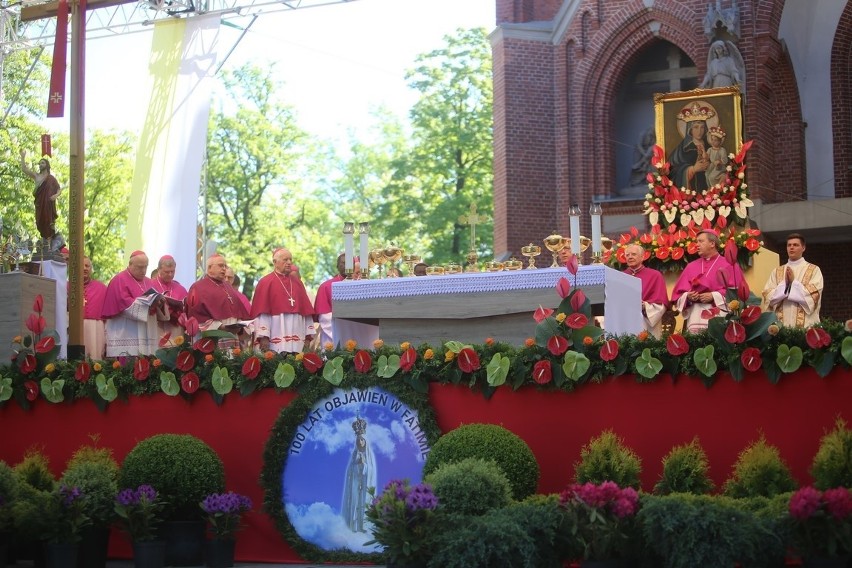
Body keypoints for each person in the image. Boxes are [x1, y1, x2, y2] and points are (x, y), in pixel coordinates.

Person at [672, 229, 744, 333]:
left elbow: (737, 293)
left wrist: (714, 296)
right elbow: (677, 296)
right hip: (695, 317)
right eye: (697, 242)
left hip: (720, 315)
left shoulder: (729, 264)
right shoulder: (690, 266)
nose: (697, 245)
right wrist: (688, 296)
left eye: (701, 241)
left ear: (712, 243)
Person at [101, 250, 169, 356]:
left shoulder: (149, 281)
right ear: (130, 265)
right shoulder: (119, 280)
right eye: (140, 267)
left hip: (146, 330)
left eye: (146, 267)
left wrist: (159, 303)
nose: (144, 271)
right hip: (126, 332)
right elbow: (123, 303)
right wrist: (146, 304)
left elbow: (154, 306)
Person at [251, 248, 316, 353]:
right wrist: (264, 336)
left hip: (297, 337)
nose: (289, 262)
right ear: (275, 262)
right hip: (275, 335)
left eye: (290, 260)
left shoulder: (298, 283)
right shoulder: (266, 282)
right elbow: (262, 312)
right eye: (285, 260)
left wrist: (308, 337)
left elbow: (306, 311)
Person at [186, 254, 251, 347]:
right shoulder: (198, 287)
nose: (224, 269)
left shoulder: (228, 286)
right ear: (209, 268)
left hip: (231, 337)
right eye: (221, 265)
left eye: (225, 266)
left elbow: (239, 312)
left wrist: (239, 327)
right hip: (213, 337)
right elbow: (196, 316)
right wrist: (220, 327)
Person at [762, 233, 823, 327]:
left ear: (803, 248)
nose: (791, 247)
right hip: (781, 326)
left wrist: (793, 283)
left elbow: (813, 296)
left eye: (795, 245)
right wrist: (785, 285)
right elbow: (768, 296)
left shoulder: (814, 270)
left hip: (805, 326)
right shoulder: (777, 271)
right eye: (789, 245)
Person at [623, 243, 669, 338]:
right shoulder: (619, 276)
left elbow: (661, 304)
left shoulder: (655, 275)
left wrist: (645, 306)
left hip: (646, 321)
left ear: (642, 257)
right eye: (627, 255)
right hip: (625, 321)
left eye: (633, 254)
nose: (630, 257)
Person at [19, 149, 63, 249]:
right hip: (39, 205)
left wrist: (55, 196)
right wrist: (22, 157)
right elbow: (24, 169)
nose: (40, 165)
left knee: (48, 223)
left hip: (48, 205)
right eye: (39, 163)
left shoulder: (51, 178)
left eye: (42, 163)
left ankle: (49, 244)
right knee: (40, 223)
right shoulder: (37, 176)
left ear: (47, 165)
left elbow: (59, 189)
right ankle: (44, 242)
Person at [668, 102, 714, 192]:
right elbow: (672, 171)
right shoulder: (683, 149)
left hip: (710, 191)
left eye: (702, 127)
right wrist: (692, 170)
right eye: (696, 127)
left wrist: (712, 165)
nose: (699, 131)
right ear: (690, 130)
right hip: (691, 192)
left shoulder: (710, 147)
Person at [341, 415, 376, 533]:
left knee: (364, 502)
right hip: (355, 483)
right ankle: (353, 525)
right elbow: (350, 471)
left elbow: (371, 471)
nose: (360, 442)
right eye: (358, 440)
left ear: (365, 441)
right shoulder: (354, 455)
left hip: (365, 484)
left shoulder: (369, 455)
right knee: (354, 501)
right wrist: (357, 465)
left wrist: (365, 466)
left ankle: (363, 526)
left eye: (362, 440)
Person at [151, 255, 188, 340]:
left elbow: (187, 310)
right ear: (158, 270)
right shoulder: (150, 285)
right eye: (167, 272)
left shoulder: (181, 288)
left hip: (176, 330)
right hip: (156, 328)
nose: (170, 274)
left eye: (172, 271)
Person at [81, 256, 108, 358]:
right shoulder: (68, 286)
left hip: (96, 329)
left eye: (87, 266)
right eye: (82, 265)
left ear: (91, 269)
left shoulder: (102, 288)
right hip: (75, 328)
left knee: (95, 358)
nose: (84, 268)